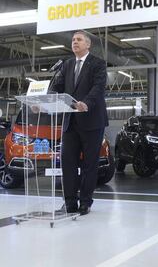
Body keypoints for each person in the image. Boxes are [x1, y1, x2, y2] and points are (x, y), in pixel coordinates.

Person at [51, 30, 108, 215]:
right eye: (73, 40)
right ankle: (70, 201)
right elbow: (57, 87)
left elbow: (98, 88)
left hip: (92, 121)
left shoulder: (98, 64)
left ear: (88, 44)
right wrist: (44, 101)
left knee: (90, 165)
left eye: (79, 39)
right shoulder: (67, 65)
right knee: (67, 163)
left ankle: (85, 201)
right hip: (70, 122)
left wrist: (86, 103)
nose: (74, 42)